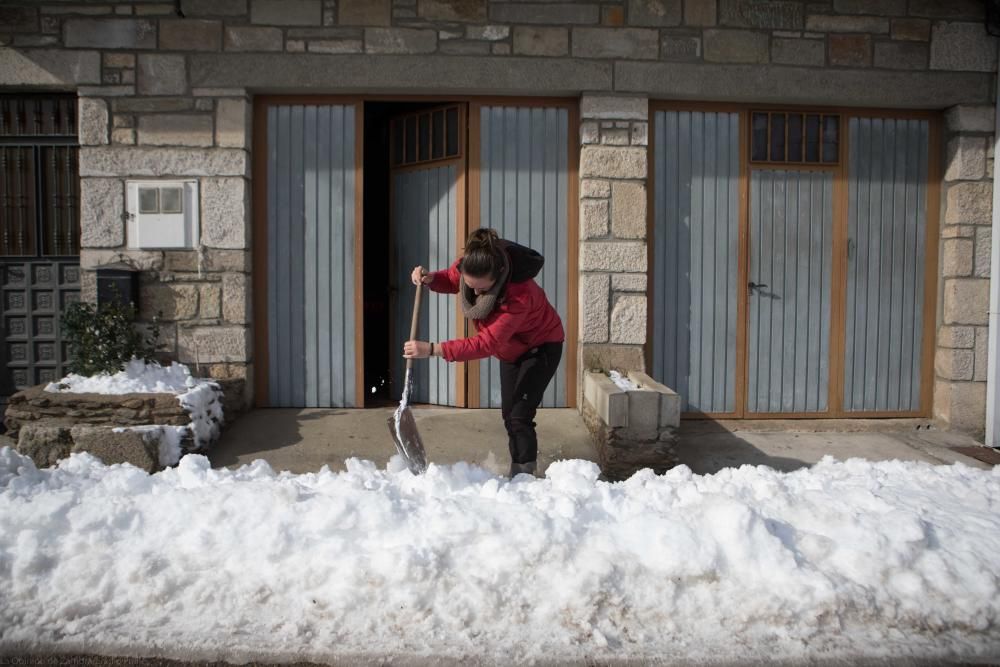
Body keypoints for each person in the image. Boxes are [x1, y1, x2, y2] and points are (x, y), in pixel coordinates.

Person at [403, 228, 565, 479]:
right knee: (509, 414)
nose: (475, 293)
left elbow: (485, 344)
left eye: (481, 289)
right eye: (470, 286)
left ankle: (524, 476)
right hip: (511, 348)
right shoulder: (471, 263)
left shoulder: (519, 296)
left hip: (541, 347)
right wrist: (430, 279)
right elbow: (450, 278)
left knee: (520, 415)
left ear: (498, 276)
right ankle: (520, 469)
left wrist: (434, 349)